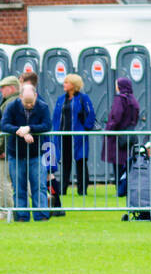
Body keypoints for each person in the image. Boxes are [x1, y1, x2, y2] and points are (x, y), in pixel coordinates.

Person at [1, 83, 52, 221]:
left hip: (36, 154)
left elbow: (47, 125)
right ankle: (22, 216)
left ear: (36, 96)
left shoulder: (43, 107)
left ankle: (41, 215)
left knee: (39, 186)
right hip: (16, 154)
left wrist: (29, 128)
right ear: (20, 96)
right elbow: (4, 124)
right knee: (19, 187)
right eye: (26, 102)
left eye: (31, 102)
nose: (29, 105)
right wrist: (20, 131)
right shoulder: (12, 106)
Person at [51, 73, 96, 198]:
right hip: (64, 135)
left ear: (73, 85)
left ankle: (82, 190)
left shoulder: (83, 98)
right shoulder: (61, 99)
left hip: (78, 135)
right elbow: (56, 116)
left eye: (67, 82)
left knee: (81, 161)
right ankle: (63, 189)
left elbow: (91, 114)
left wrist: (85, 128)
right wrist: (55, 131)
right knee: (65, 162)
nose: (64, 84)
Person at [102, 77, 141, 184]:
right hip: (129, 135)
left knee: (118, 163)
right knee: (127, 162)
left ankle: (120, 188)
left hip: (118, 137)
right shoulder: (133, 99)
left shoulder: (120, 99)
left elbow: (116, 116)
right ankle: (126, 186)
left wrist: (108, 130)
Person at [0, 75, 18, 218]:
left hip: (7, 147)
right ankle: (47, 198)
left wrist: (1, 148)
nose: (1, 91)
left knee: (3, 181)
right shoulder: (19, 101)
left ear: (12, 88)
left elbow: (5, 128)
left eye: (3, 88)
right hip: (16, 148)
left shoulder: (8, 104)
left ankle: (6, 211)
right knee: (17, 178)